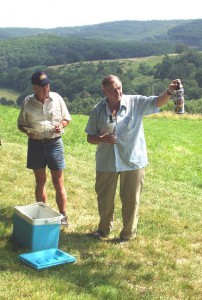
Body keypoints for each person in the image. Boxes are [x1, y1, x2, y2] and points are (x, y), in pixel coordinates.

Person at [85, 74, 182, 243]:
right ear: (105, 91)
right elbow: (90, 138)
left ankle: (127, 235)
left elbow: (156, 102)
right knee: (104, 198)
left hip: (133, 160)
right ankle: (103, 229)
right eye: (113, 90)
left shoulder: (135, 102)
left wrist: (169, 92)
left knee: (131, 199)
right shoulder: (97, 110)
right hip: (106, 161)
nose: (118, 92)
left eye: (119, 87)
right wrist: (102, 139)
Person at [17, 70, 71, 226]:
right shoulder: (27, 102)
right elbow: (20, 124)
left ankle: (63, 216)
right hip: (35, 145)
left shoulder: (57, 98)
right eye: (42, 87)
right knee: (40, 181)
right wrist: (27, 131)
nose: (46, 89)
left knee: (58, 181)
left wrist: (61, 125)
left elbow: (66, 118)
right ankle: (42, 214)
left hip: (55, 143)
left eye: (47, 85)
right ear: (34, 88)